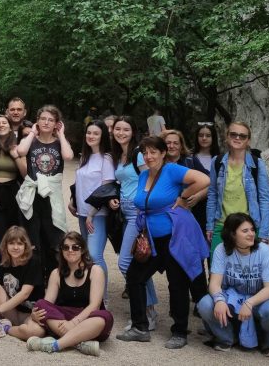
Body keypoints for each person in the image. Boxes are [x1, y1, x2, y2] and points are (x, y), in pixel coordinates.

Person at [117, 136, 210, 349]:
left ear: (163, 153)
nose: (149, 156)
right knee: (134, 276)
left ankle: (179, 331)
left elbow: (204, 180)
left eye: (153, 152)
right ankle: (140, 327)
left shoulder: (171, 170)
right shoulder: (143, 175)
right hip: (151, 238)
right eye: (145, 153)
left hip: (174, 236)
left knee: (177, 284)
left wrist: (183, 197)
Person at [197, 213, 269, 355]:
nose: (251, 234)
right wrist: (219, 300)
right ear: (232, 234)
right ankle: (227, 338)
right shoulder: (221, 249)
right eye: (245, 231)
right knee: (205, 304)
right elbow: (214, 283)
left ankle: (268, 342)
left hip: (258, 300)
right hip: (231, 298)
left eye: (252, 229)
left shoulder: (264, 250)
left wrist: (249, 303)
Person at [14, 231, 113, 356]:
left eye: (75, 247)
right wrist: (35, 313)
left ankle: (55, 345)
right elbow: (47, 304)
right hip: (62, 318)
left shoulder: (95, 271)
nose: (70, 250)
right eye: (66, 247)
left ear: (83, 250)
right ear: (61, 251)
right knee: (41, 304)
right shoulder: (56, 273)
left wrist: (73, 323)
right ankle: (78, 342)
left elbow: (95, 305)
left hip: (87, 319)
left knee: (104, 317)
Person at [109, 116, 158, 330]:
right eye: (118, 129)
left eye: (126, 129)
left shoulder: (138, 153)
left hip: (137, 212)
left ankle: (148, 311)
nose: (121, 133)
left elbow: (150, 178)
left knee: (126, 263)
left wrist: (142, 206)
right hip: (124, 211)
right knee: (137, 263)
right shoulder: (119, 154)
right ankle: (148, 311)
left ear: (133, 132)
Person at [17, 105, 72, 278]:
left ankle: (55, 279)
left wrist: (61, 135)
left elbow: (68, 156)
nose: (46, 122)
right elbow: (20, 151)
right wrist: (32, 133)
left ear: (56, 123)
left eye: (51, 120)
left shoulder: (59, 143)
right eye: (43, 119)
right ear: (37, 121)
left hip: (51, 196)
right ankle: (36, 282)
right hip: (33, 195)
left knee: (54, 240)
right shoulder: (31, 141)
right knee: (33, 240)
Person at [206, 121, 269, 255]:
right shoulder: (217, 162)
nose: (237, 138)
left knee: (246, 267)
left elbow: (265, 200)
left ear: (248, 141)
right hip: (221, 226)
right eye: (233, 134)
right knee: (218, 266)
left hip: (247, 228)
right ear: (227, 137)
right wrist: (209, 226)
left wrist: (264, 234)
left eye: (242, 136)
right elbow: (212, 195)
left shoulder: (257, 164)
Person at [70, 120, 114, 294]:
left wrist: (91, 213)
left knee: (95, 255)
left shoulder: (106, 158)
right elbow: (78, 183)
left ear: (103, 136)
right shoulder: (85, 157)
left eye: (96, 133)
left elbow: (106, 188)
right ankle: (91, 294)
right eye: (89, 132)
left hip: (97, 214)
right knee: (87, 255)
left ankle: (102, 298)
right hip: (82, 213)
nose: (91, 136)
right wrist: (72, 200)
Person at [0, 226, 42, 341]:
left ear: (25, 246)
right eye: (11, 243)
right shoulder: (4, 264)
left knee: (35, 332)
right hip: (11, 310)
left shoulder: (33, 262)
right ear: (5, 245)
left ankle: (5, 327)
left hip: (30, 314)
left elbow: (25, 294)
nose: (16, 247)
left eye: (20, 244)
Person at [0, 115, 26, 264]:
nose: (1, 125)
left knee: (15, 237)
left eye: (4, 123)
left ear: (10, 127)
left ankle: (17, 271)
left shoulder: (18, 146)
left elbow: (25, 174)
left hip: (13, 193)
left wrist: (15, 156)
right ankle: (2, 271)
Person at [162, 129, 208, 236]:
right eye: (168, 143)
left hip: (191, 213)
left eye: (175, 143)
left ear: (181, 146)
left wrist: (198, 196)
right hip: (165, 214)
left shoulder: (190, 161)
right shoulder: (159, 164)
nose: (171, 146)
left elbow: (210, 182)